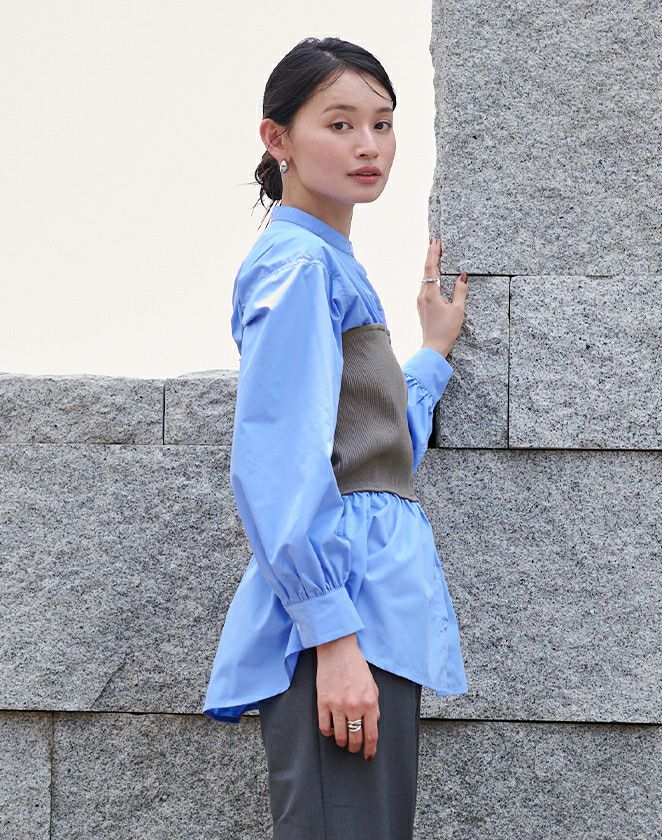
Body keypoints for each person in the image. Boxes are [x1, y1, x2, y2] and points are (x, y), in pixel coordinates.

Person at [202, 36, 470, 839]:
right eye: (340, 123)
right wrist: (334, 640)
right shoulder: (300, 267)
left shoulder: (329, 263)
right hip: (345, 622)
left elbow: (370, 446)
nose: (368, 146)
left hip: (370, 612)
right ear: (277, 138)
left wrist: (429, 357)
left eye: (382, 124)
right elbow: (276, 459)